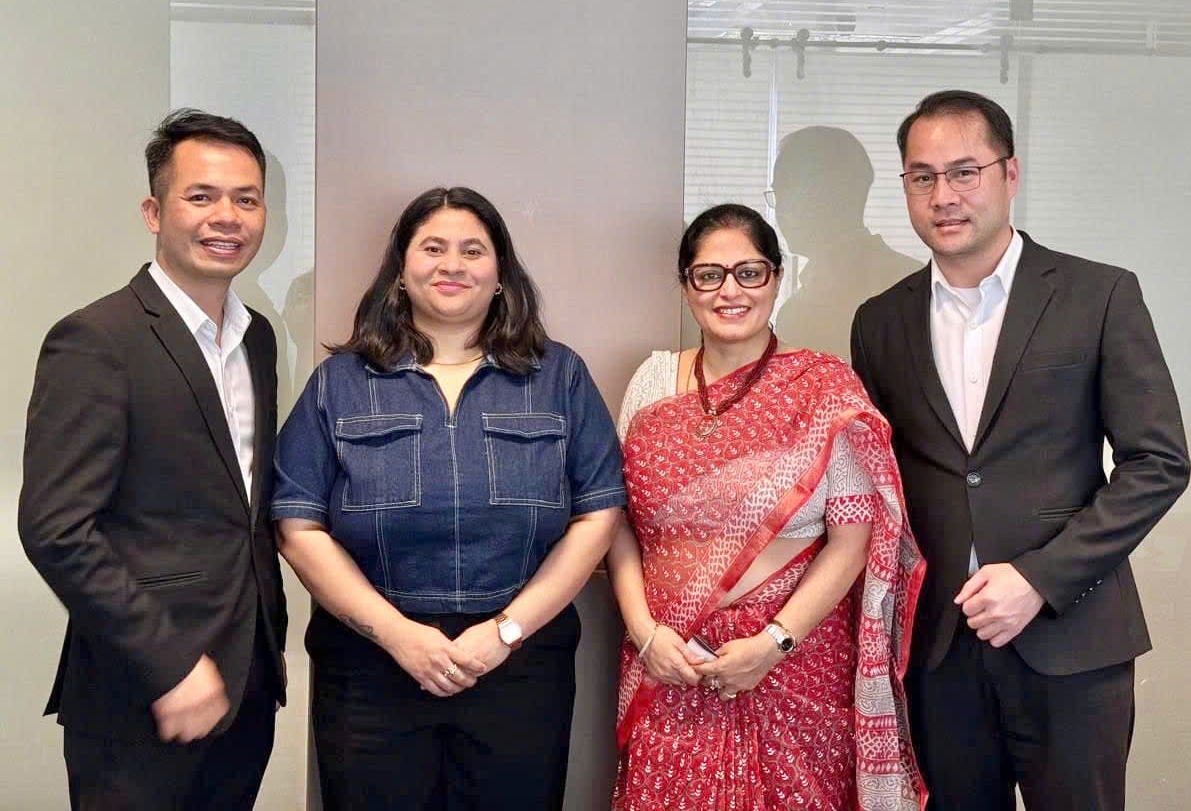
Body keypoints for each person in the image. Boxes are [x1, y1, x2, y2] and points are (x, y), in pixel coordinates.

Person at [851, 90, 1191, 810]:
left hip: (1073, 639)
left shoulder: (1099, 295)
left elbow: (1158, 462)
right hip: (939, 651)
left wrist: (1039, 579)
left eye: (964, 172)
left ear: (1010, 174)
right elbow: (880, 486)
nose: (943, 196)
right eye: (922, 177)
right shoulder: (879, 322)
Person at [271, 186, 624, 811]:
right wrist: (399, 637)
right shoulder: (339, 383)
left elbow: (598, 512)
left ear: (500, 273)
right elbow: (297, 526)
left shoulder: (559, 376)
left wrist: (505, 632)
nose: (452, 265)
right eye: (432, 248)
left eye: (473, 250)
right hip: (370, 670)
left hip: (520, 667)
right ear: (401, 270)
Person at [608, 203, 926, 811]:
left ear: (776, 278)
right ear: (686, 286)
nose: (729, 291)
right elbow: (616, 523)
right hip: (669, 664)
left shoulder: (823, 389)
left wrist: (774, 643)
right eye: (709, 275)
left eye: (749, 273)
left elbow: (853, 540)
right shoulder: (652, 382)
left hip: (792, 665)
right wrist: (645, 634)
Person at [18, 108, 288, 809]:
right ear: (154, 211)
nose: (227, 217)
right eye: (201, 196)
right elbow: (55, 528)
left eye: (247, 199)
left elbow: (240, 511)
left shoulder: (257, 338)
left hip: (245, 683)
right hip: (141, 693)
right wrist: (169, 663)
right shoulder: (96, 339)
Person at [771, 125, 919, 356]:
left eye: (786, 192)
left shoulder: (915, 291)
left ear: (831, 192)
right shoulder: (796, 307)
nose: (781, 210)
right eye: (777, 195)